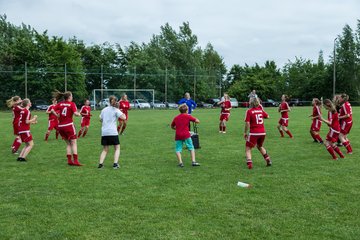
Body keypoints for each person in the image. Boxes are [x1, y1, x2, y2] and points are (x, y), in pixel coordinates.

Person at [53, 90, 82, 166]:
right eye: (72, 96)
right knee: (74, 143)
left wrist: (57, 116)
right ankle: (75, 161)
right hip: (69, 125)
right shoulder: (72, 104)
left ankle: (69, 160)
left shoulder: (60, 104)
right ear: (69, 97)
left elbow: (52, 110)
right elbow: (75, 114)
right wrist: (79, 114)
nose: (72, 97)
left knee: (68, 144)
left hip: (60, 127)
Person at [98, 96, 126, 169]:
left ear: (109, 101)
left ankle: (100, 164)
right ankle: (115, 164)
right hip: (112, 132)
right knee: (117, 148)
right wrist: (120, 110)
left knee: (105, 149)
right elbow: (124, 117)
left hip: (104, 132)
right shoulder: (116, 110)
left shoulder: (104, 110)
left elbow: (100, 119)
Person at [244, 97, 272, 169]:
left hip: (254, 133)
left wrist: (245, 132)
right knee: (260, 146)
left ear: (251, 103)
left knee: (248, 148)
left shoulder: (249, 111)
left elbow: (247, 123)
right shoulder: (260, 110)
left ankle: (249, 164)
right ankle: (268, 160)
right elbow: (268, 116)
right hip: (262, 132)